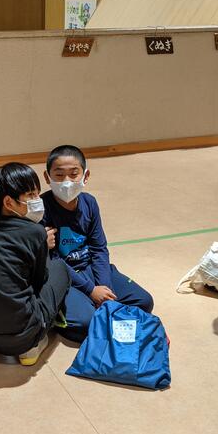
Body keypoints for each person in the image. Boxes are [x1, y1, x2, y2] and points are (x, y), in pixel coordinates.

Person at [0, 163, 71, 365]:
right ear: (9, 202)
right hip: (21, 338)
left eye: (38, 193)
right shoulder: (35, 233)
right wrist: (43, 246)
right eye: (31, 195)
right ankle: (32, 347)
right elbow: (39, 281)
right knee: (60, 268)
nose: (38, 201)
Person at [40, 145, 154, 341]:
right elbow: (53, 261)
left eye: (73, 174)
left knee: (144, 302)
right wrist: (90, 290)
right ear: (47, 177)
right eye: (59, 175)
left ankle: (96, 306)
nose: (66, 181)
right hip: (65, 276)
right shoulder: (42, 209)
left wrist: (103, 287)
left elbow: (99, 248)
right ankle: (59, 313)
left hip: (91, 268)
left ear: (85, 176)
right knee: (85, 324)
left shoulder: (89, 203)